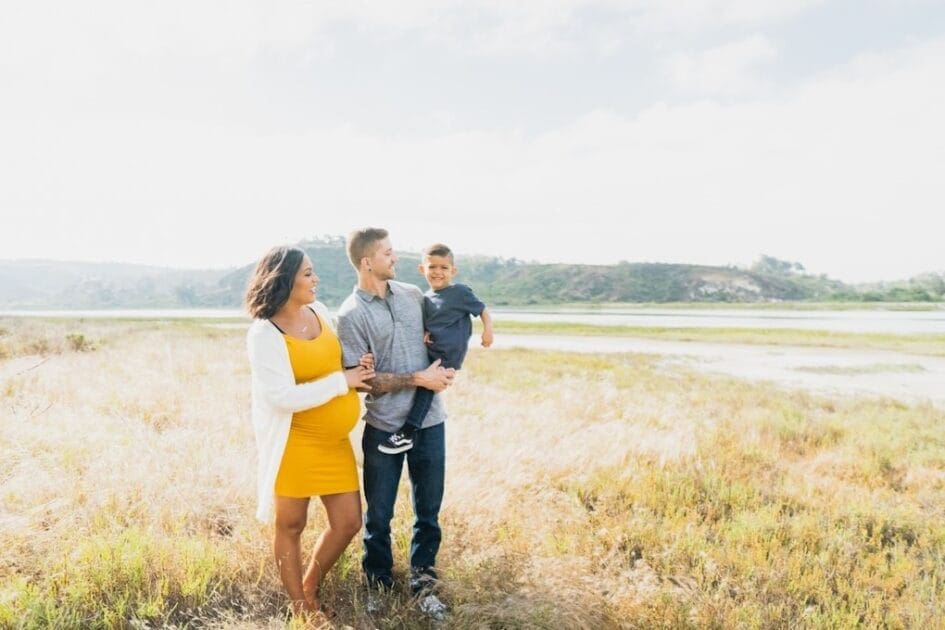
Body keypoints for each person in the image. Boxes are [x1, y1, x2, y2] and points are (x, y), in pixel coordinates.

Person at [244, 245, 375, 619]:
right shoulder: (264, 334)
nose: (315, 279)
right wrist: (342, 381)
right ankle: (301, 607)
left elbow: (333, 365)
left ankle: (309, 583)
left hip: (333, 443)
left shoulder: (319, 312)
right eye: (308, 274)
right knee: (291, 523)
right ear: (284, 280)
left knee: (349, 522)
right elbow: (281, 397)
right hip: (295, 441)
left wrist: (356, 369)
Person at [335, 228, 455, 618]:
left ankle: (424, 583)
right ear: (368, 262)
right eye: (388, 253)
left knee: (428, 511)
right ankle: (378, 585)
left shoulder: (413, 296)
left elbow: (441, 333)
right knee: (379, 516)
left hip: (429, 422)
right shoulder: (351, 315)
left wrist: (444, 359)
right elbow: (363, 382)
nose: (396, 258)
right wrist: (417, 378)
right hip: (384, 426)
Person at [378, 242, 494, 455]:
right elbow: (433, 321)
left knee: (426, 389)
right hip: (431, 350)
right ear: (422, 269)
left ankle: (408, 431)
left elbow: (483, 310)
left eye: (444, 268)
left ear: (453, 271)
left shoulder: (460, 292)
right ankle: (405, 427)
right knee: (420, 380)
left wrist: (488, 331)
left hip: (447, 353)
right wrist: (426, 331)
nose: (438, 272)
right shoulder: (426, 298)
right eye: (432, 267)